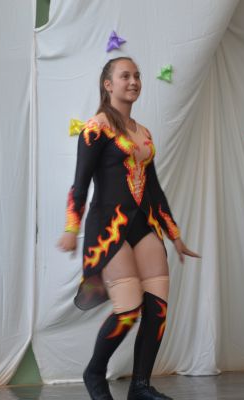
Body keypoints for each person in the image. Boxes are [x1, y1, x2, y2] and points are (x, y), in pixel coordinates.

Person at [58, 57, 200, 400]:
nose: (134, 81)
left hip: (144, 225)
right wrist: (71, 228)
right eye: (125, 76)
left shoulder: (143, 133)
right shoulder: (96, 128)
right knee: (128, 309)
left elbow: (154, 189)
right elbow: (80, 184)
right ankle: (95, 373)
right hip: (109, 228)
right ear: (108, 84)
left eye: (137, 76)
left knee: (158, 306)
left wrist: (175, 235)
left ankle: (140, 386)